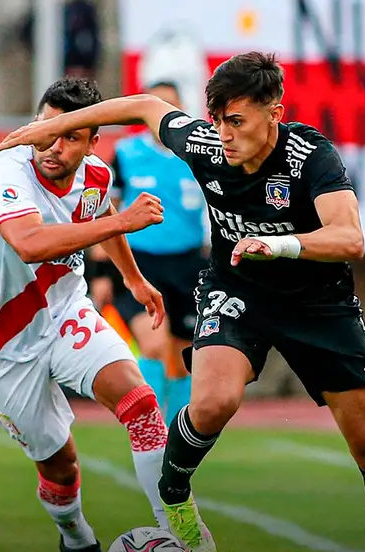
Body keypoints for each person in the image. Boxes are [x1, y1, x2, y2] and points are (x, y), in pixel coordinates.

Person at [0, 52, 365, 552]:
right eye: (217, 119)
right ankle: (175, 499)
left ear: (274, 112)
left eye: (236, 121)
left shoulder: (312, 156)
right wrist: (51, 126)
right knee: (211, 402)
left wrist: (280, 245)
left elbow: (350, 238)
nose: (223, 134)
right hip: (238, 289)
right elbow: (143, 104)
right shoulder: (206, 144)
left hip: (319, 305)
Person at [0, 77, 170, 552]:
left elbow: (103, 208)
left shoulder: (94, 174)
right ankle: (77, 542)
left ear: (92, 139)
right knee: (61, 466)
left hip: (64, 311)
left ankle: (178, 532)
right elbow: (30, 243)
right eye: (48, 129)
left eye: (71, 136)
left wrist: (134, 280)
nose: (55, 145)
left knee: (141, 405)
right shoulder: (6, 170)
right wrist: (121, 227)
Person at [109, 80, 208, 425]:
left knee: (181, 359)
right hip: (140, 263)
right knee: (152, 346)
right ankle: (147, 427)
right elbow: (107, 212)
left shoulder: (199, 153)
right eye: (156, 105)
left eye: (170, 106)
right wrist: (102, 271)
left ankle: (174, 434)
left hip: (188, 264)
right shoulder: (125, 153)